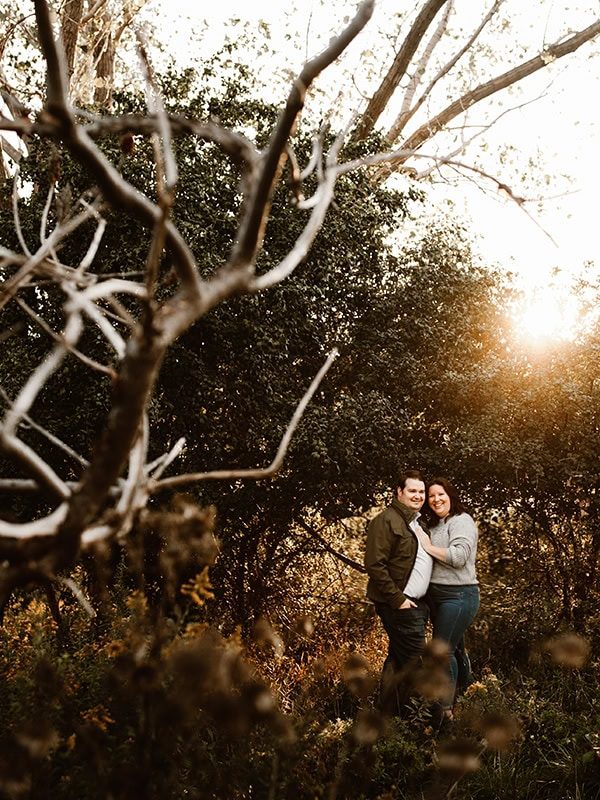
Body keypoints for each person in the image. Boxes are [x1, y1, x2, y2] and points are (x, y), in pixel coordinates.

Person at [365, 470, 433, 712]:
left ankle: (385, 719)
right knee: (419, 667)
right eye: (412, 491)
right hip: (401, 607)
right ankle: (422, 726)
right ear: (399, 492)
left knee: (397, 662)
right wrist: (398, 600)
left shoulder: (415, 523)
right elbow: (374, 564)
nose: (418, 496)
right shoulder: (385, 521)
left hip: (416, 606)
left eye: (421, 492)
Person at [415, 477, 479, 720]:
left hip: (459, 596)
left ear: (450, 495)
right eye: (431, 496)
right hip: (438, 598)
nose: (436, 499)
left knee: (443, 651)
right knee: (457, 649)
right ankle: (469, 693)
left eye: (440, 494)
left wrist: (429, 547)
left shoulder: (462, 521)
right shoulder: (434, 525)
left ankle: (446, 710)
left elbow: (459, 556)